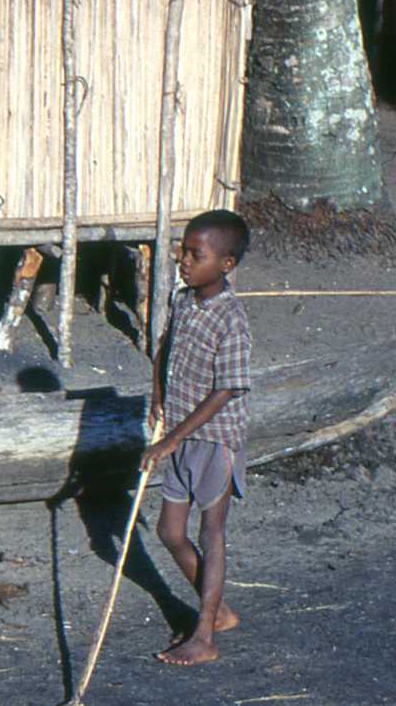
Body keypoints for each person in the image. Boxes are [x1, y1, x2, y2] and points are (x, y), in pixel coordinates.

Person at [141, 208, 252, 667]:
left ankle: (204, 635)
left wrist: (170, 441)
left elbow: (227, 388)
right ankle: (218, 610)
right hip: (182, 431)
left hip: (215, 439)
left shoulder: (232, 320)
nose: (184, 261)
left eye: (195, 254)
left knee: (212, 532)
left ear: (225, 264)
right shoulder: (183, 300)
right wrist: (158, 394)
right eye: (183, 252)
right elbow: (165, 345)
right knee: (169, 531)